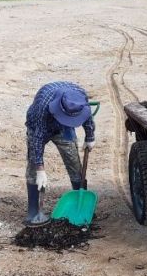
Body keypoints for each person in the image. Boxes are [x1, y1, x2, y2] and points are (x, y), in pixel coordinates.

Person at [24, 81, 95, 226]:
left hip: (63, 129)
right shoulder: (43, 107)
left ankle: (81, 205)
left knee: (74, 163)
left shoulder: (80, 97)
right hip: (39, 126)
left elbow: (87, 116)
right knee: (33, 168)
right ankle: (33, 210)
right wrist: (40, 169)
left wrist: (90, 136)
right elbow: (37, 139)